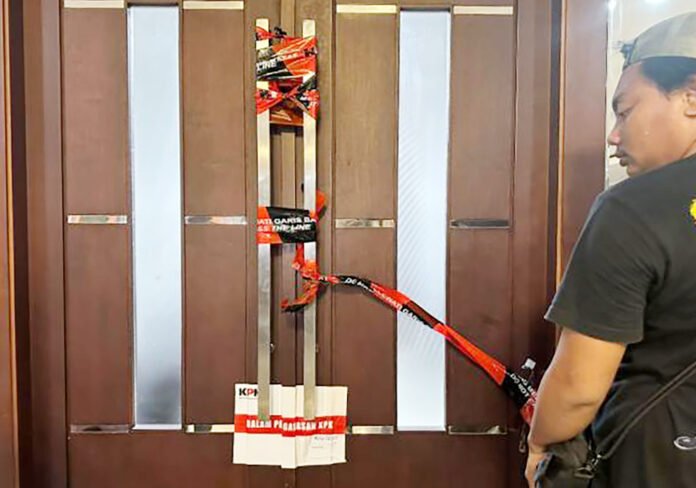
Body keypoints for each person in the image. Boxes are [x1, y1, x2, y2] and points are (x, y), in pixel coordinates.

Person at [525, 12, 696, 488]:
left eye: (625, 111)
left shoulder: (631, 208)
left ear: (691, 96)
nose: (614, 135)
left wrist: (540, 444)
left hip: (659, 458)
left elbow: (578, 388)